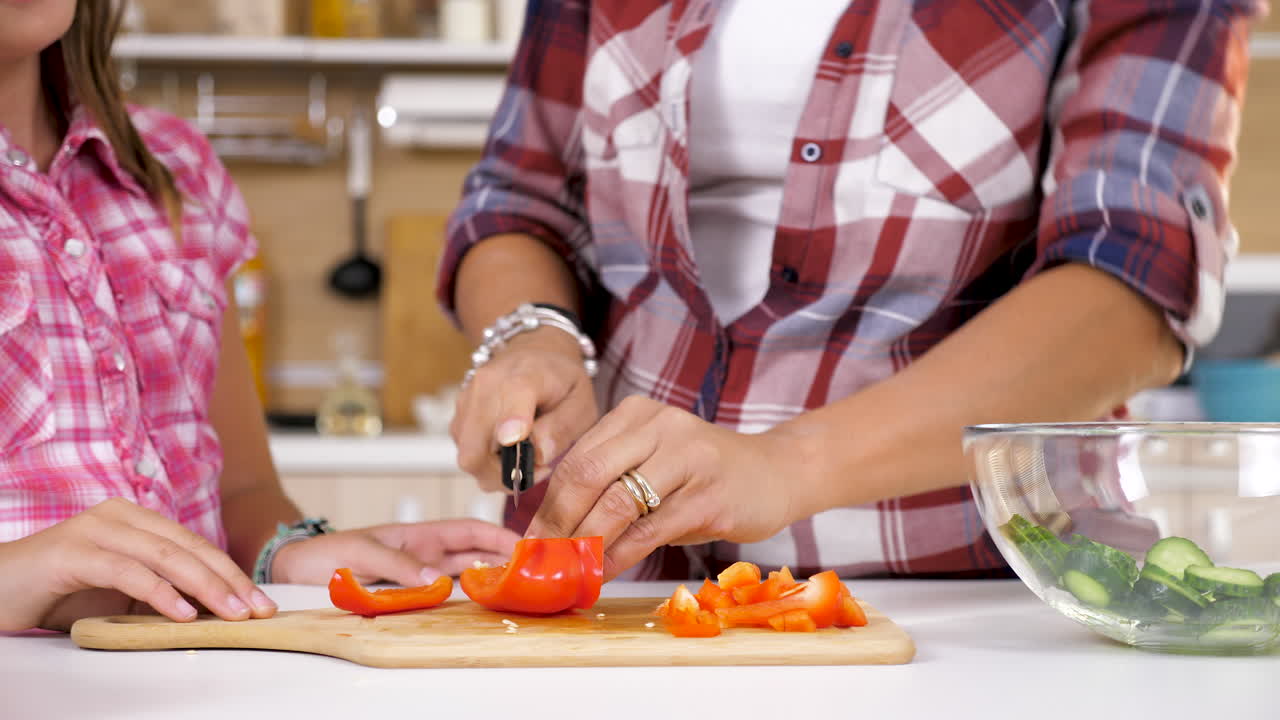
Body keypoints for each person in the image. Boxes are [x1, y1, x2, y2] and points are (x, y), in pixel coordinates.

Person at [442, 0, 1263, 582]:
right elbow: (518, 197)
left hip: (962, 601)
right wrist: (533, 333)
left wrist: (781, 465)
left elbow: (1131, 283)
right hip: (615, 587)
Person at [0, 0, 518, 633]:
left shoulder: (173, 169)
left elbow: (242, 491)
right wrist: (27, 571)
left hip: (200, 675)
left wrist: (289, 553)